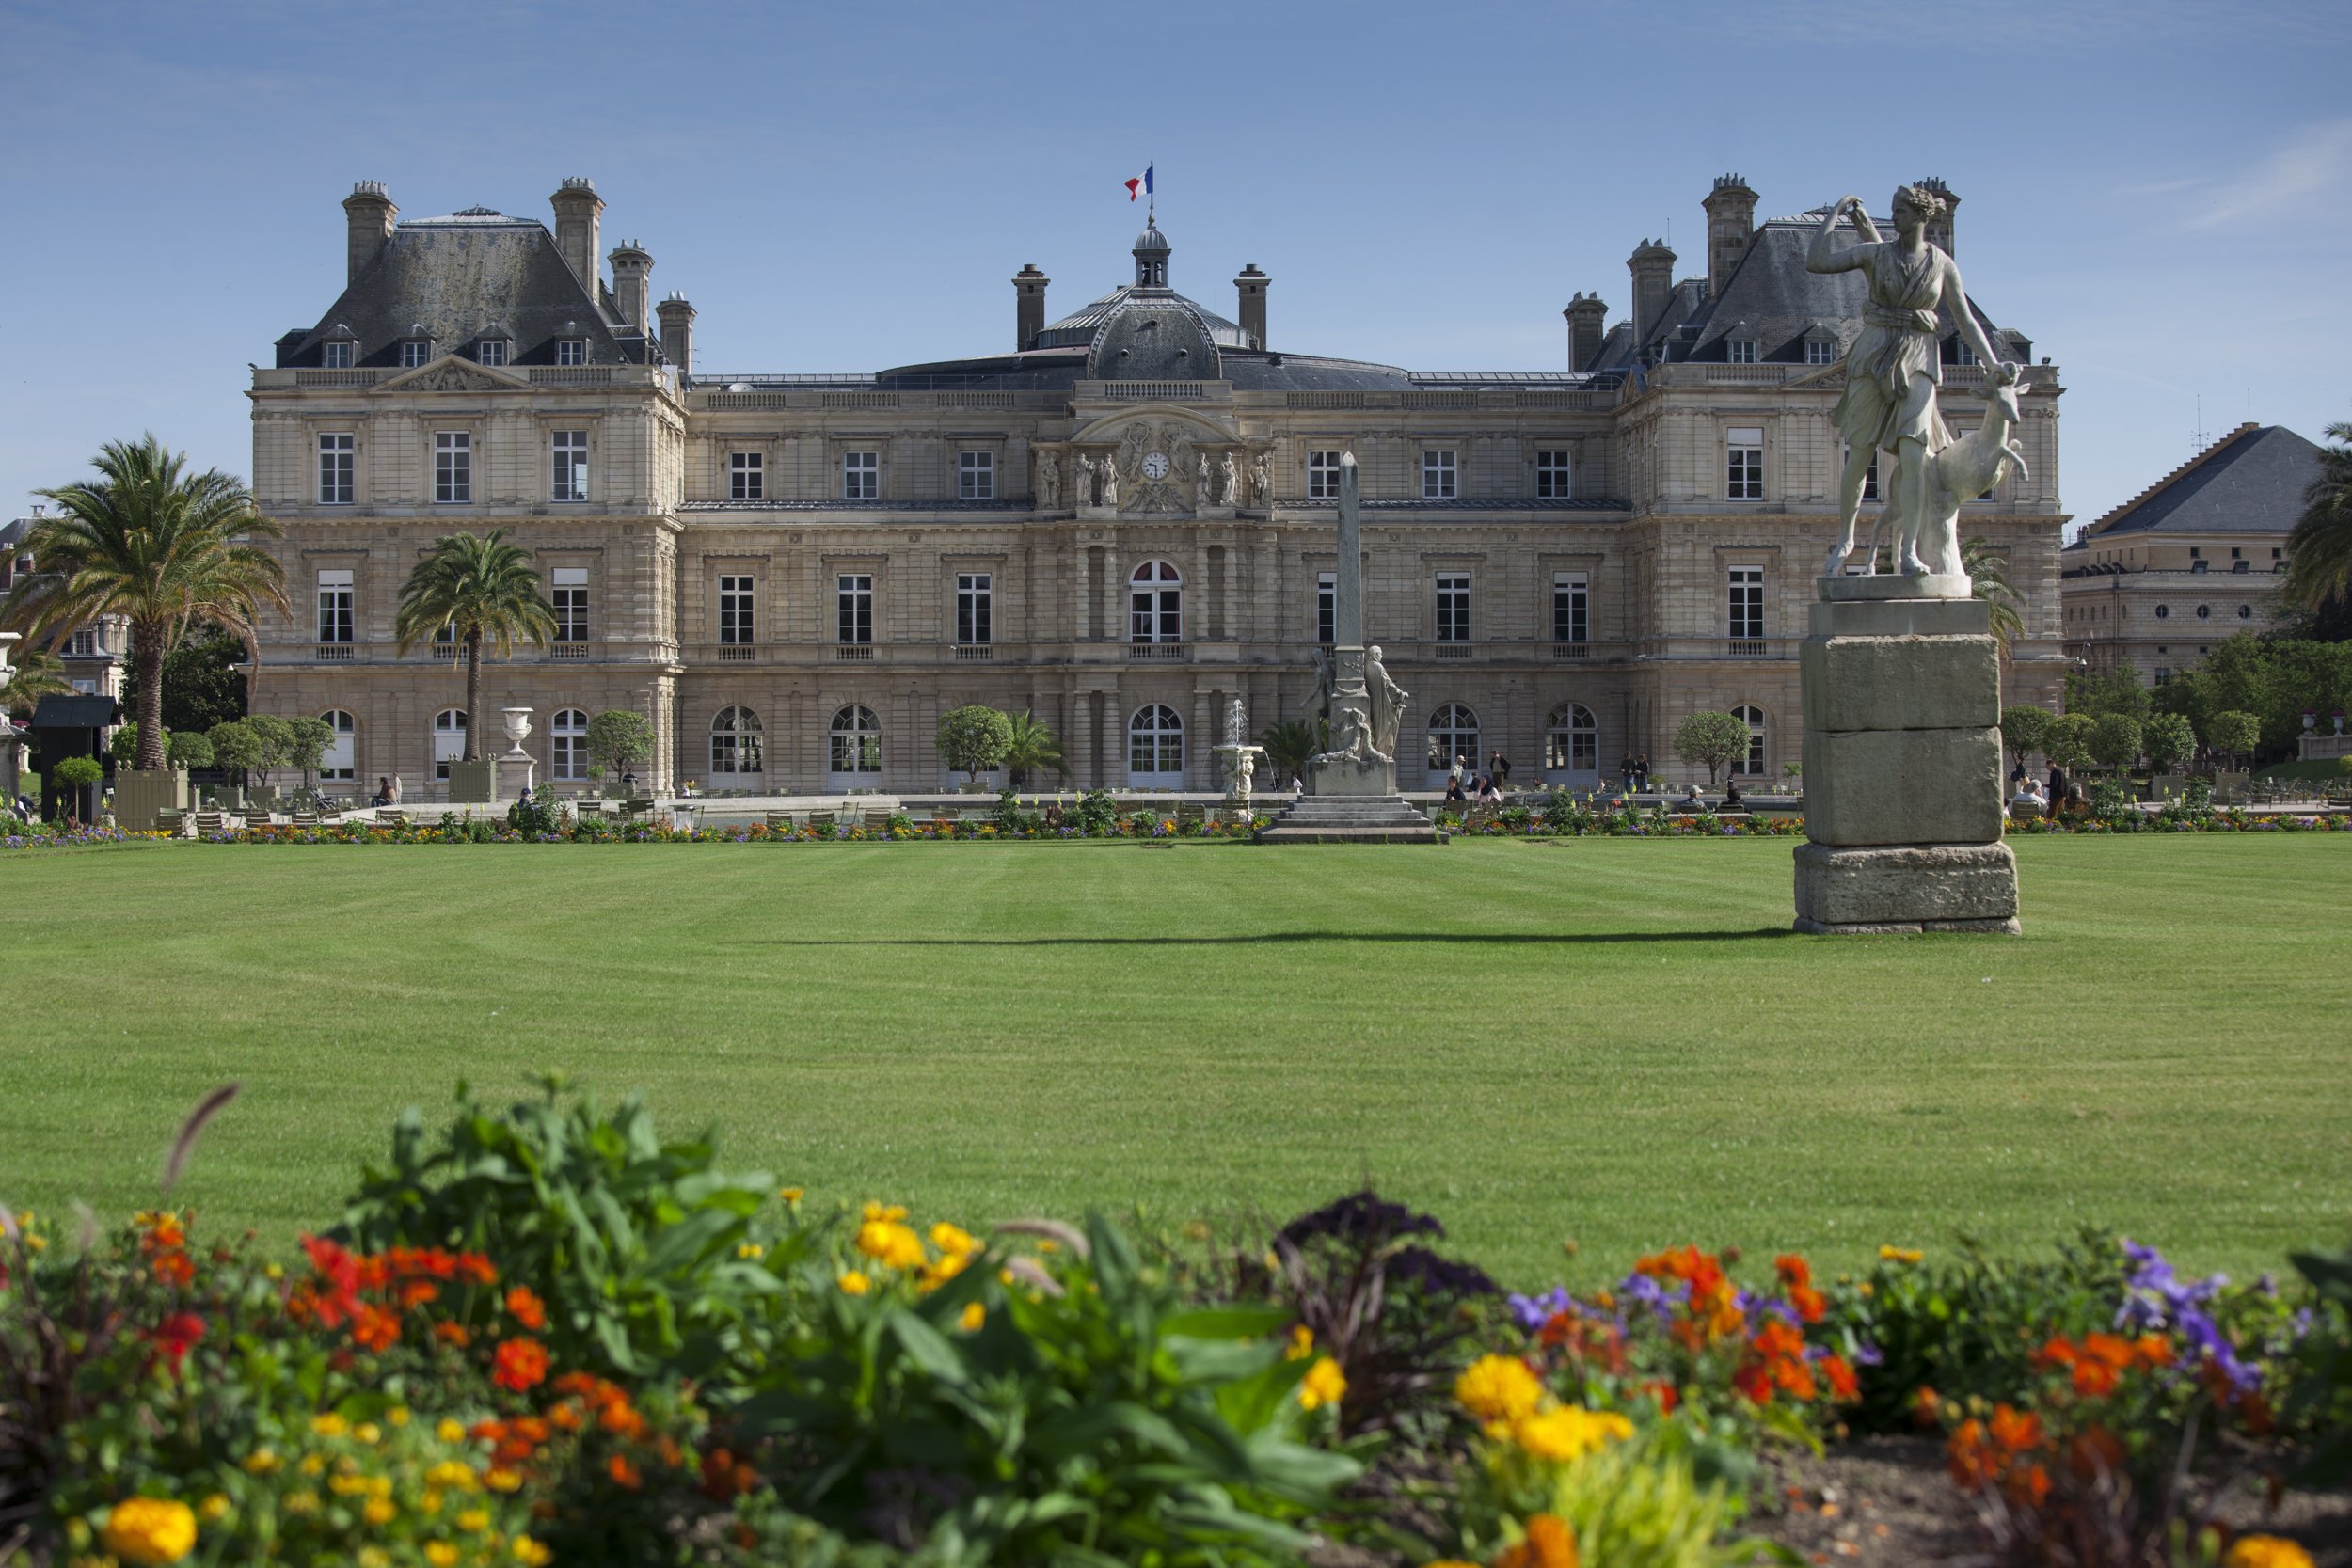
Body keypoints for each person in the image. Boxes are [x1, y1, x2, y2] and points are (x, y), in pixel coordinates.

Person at [1809, 183, 2015, 577]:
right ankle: (1846, 539)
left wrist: (1992, 364)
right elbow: (1817, 261)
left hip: (1920, 355)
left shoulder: (1942, 264)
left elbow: (1966, 319)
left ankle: (1908, 554)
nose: (1895, 217)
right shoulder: (1875, 253)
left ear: (1920, 216)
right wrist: (1835, 214)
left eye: (1900, 211)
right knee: (1861, 451)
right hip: (1873, 354)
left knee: (1914, 456)